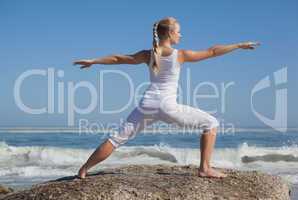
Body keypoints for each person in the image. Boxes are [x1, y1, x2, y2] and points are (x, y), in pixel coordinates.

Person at [73, 17, 259, 179]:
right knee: (211, 123)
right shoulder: (180, 55)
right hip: (167, 106)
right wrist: (238, 45)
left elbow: (117, 59)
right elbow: (212, 51)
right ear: (170, 33)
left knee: (116, 140)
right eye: (179, 31)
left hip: (147, 104)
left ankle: (83, 169)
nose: (181, 35)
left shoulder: (148, 54)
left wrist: (93, 61)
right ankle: (204, 168)